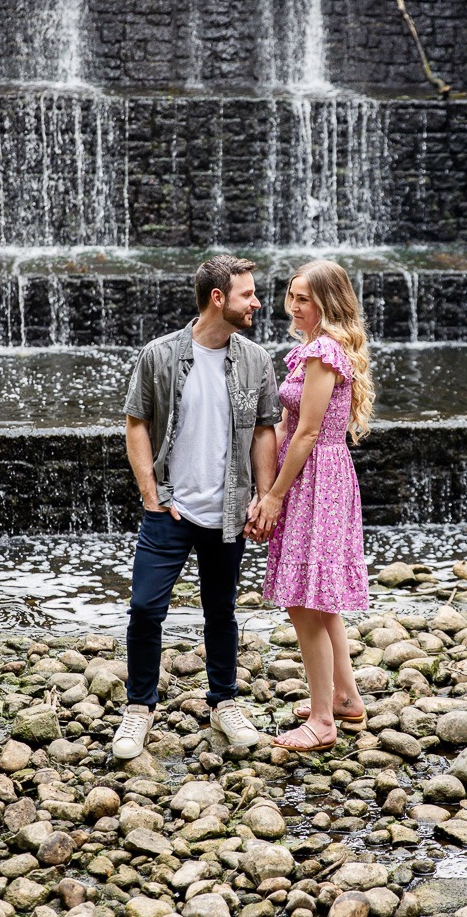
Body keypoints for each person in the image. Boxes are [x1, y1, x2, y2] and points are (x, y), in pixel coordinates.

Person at [112, 255, 280, 759]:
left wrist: (263, 497)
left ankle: (223, 701)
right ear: (217, 298)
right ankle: (139, 709)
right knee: (145, 608)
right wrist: (151, 496)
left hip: (228, 510)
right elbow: (136, 422)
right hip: (170, 510)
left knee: (221, 612)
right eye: (247, 294)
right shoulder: (160, 355)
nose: (256, 302)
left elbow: (265, 430)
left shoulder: (256, 360)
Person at [249, 260, 373, 752]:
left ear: (327, 301)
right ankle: (345, 698)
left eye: (304, 298)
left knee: (303, 601)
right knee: (321, 599)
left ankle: (322, 722)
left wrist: (275, 495)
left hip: (315, 479)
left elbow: (307, 432)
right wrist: (258, 482)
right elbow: (284, 425)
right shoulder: (307, 351)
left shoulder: (324, 351)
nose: (294, 306)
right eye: (291, 296)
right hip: (312, 475)